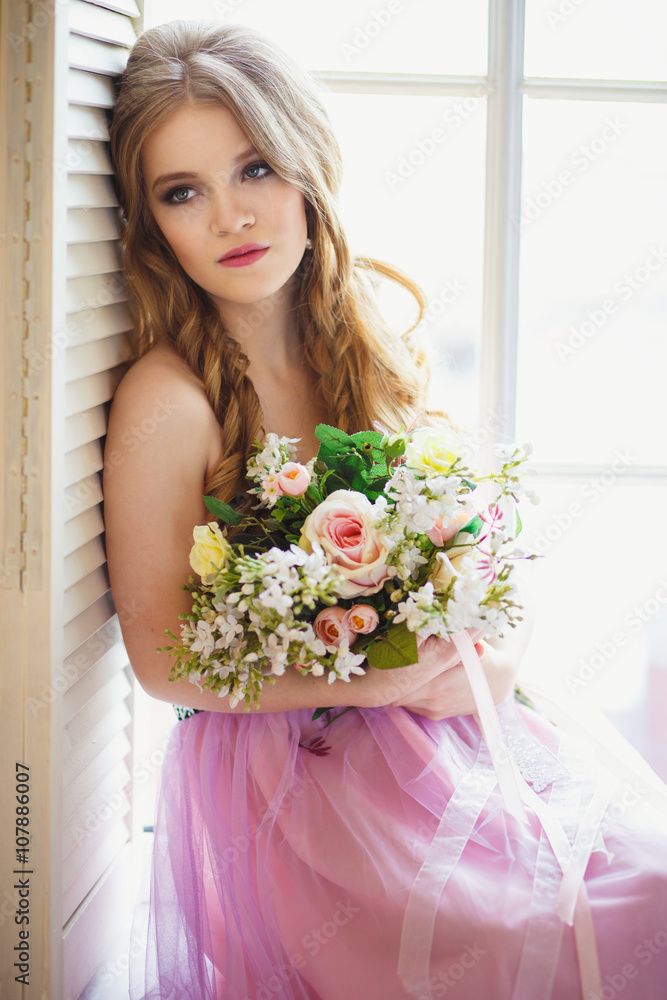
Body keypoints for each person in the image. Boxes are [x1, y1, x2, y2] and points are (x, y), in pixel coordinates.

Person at [104, 20, 667, 1000]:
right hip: (303, 780)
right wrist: (372, 686)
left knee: (645, 879)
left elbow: (477, 555)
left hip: (439, 731)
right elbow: (162, 661)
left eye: (256, 169)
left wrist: (493, 659)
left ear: (308, 169)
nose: (233, 216)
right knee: (534, 932)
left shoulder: (358, 337)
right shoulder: (172, 397)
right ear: (151, 223)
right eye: (183, 192)